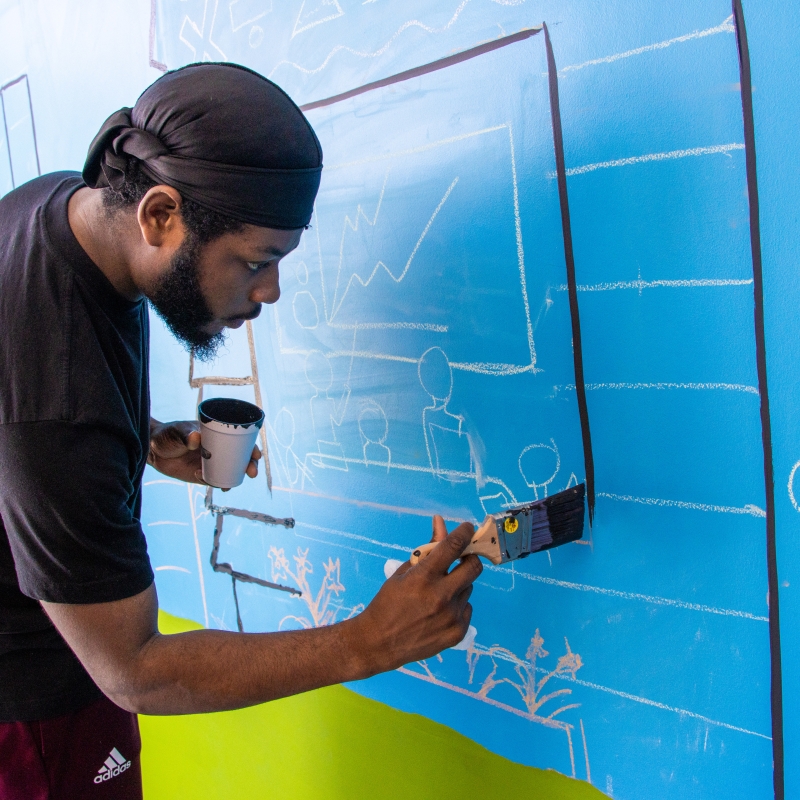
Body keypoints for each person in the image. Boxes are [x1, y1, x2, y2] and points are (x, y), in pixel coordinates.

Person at [0, 63, 481, 799]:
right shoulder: (60, 414)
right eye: (256, 262)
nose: (270, 292)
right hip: (33, 717)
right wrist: (366, 642)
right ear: (159, 215)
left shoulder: (60, 210)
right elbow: (133, 671)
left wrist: (143, 435)